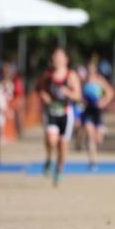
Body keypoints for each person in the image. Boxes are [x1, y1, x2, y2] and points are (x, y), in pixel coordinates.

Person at [36, 47, 81, 187]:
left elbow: (78, 96)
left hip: (66, 113)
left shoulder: (71, 75)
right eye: (55, 57)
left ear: (66, 60)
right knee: (51, 140)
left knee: (62, 144)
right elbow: (39, 89)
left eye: (60, 57)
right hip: (51, 112)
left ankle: (59, 171)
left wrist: (68, 93)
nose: (57, 59)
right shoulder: (47, 75)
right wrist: (44, 97)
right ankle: (49, 159)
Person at [80, 58, 115, 169]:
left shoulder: (100, 80)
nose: (90, 71)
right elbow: (78, 94)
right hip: (87, 111)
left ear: (95, 70)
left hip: (98, 111)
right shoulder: (83, 81)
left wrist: (104, 102)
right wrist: (82, 101)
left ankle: (102, 131)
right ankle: (93, 161)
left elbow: (110, 92)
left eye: (92, 69)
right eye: (88, 69)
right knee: (90, 135)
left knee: (98, 139)